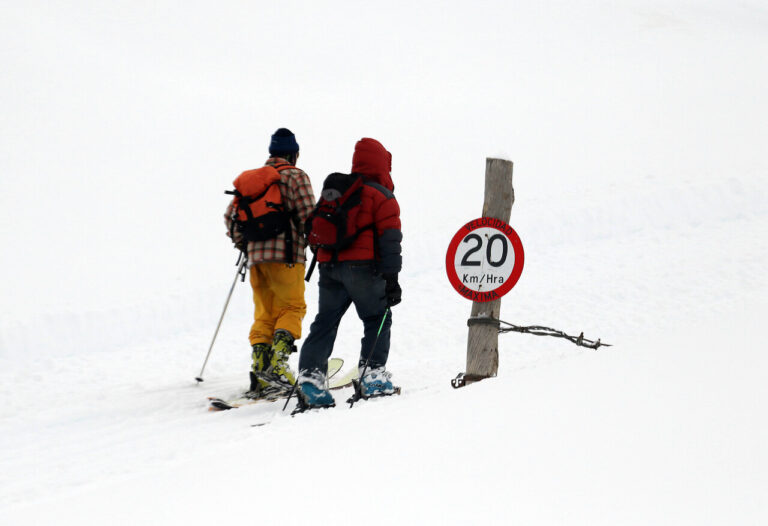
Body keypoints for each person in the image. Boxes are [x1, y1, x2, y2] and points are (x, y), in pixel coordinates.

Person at [297, 137, 402, 407]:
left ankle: (311, 379)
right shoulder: (383, 196)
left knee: (325, 322)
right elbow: (390, 241)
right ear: (382, 163)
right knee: (378, 317)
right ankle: (373, 377)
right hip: (363, 269)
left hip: (328, 266)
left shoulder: (339, 190)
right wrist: (392, 279)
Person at [224, 128, 315, 395]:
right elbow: (307, 215)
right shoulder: (296, 176)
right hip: (288, 256)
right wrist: (315, 242)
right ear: (294, 153)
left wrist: (245, 244)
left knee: (264, 313)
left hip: (255, 259)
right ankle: (278, 366)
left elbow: (232, 218)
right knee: (292, 308)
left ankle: (260, 369)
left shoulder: (251, 180)